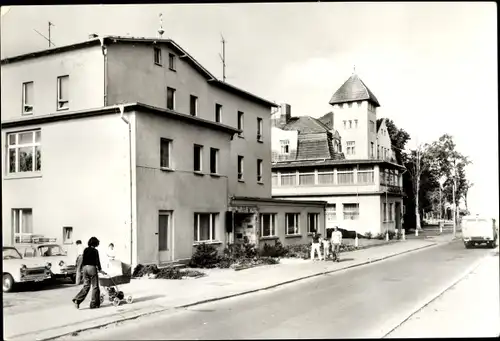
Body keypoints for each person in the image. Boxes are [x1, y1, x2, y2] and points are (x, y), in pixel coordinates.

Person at [72, 237, 106, 309]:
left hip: (85, 268)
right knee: (95, 287)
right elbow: (97, 261)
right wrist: (100, 270)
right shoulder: (95, 251)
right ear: (95, 243)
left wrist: (81, 268)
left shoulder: (85, 250)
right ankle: (93, 304)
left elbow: (83, 260)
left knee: (86, 286)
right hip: (92, 268)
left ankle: (77, 300)